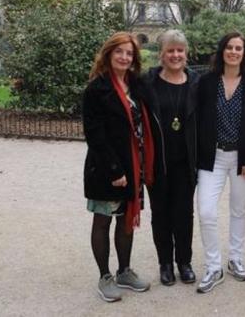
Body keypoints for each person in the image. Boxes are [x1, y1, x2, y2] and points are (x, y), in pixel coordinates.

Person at [83, 32, 154, 302]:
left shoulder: (135, 85)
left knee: (126, 220)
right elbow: (95, 134)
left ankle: (124, 271)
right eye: (119, 52)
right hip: (106, 168)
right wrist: (115, 170)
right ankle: (105, 276)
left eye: (129, 53)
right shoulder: (97, 89)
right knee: (103, 221)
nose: (124, 57)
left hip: (134, 164)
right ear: (109, 54)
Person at [196, 32, 245, 294]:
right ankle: (213, 266)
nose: (234, 52)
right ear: (222, 50)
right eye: (229, 47)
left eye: (239, 48)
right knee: (206, 211)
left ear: (244, 53)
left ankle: (236, 258)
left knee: (238, 210)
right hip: (212, 157)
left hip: (241, 158)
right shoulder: (206, 82)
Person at [141, 30, 199, 286]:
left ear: (186, 54)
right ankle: (165, 263)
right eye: (170, 50)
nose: (175, 55)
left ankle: (184, 262)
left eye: (180, 50)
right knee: (161, 214)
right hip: (158, 161)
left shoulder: (196, 83)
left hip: (186, 162)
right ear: (161, 54)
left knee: (184, 214)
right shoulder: (147, 83)